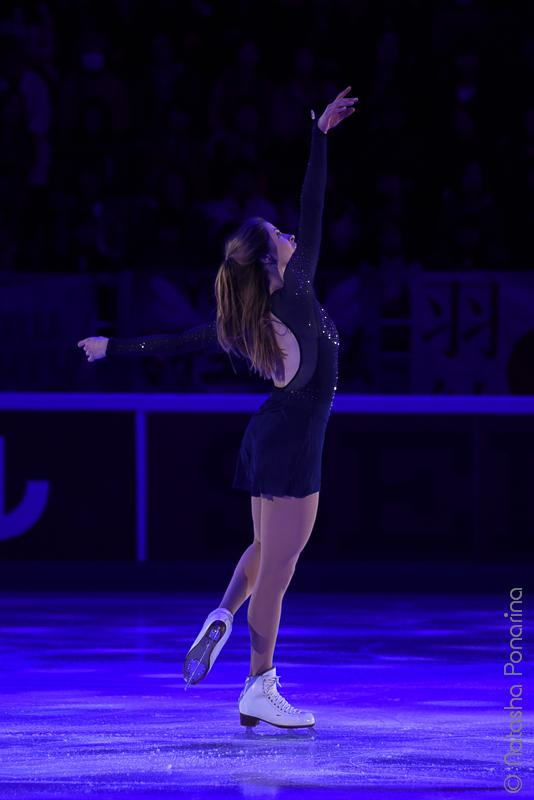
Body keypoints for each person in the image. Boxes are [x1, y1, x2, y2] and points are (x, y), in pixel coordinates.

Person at [78, 85, 358, 729]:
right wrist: (318, 137)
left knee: (263, 549)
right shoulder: (299, 286)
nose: (291, 236)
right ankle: (260, 683)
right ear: (271, 262)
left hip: (270, 435)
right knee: (281, 569)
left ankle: (223, 615)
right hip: (293, 446)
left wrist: (109, 346)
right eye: (278, 238)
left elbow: (176, 343)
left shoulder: (253, 314)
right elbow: (312, 207)